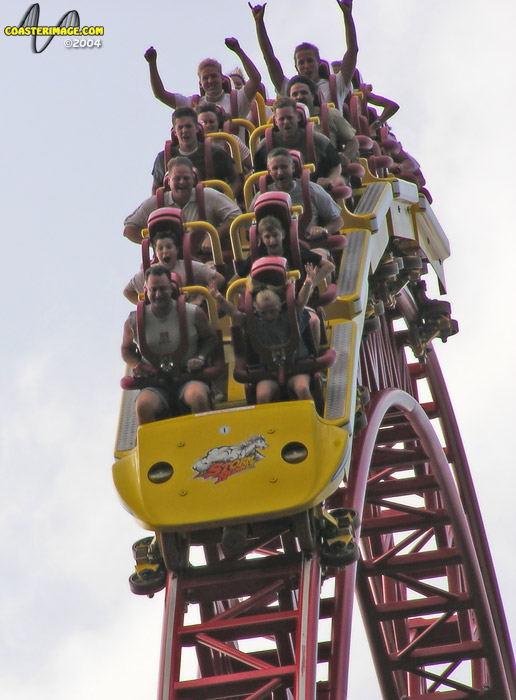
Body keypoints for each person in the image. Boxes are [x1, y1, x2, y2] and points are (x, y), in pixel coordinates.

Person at [121, 265, 218, 425]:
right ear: (146, 290)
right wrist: (136, 364)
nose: (158, 295)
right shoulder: (134, 321)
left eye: (163, 289)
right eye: (153, 290)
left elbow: (211, 338)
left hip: (188, 378)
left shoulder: (193, 313)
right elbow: (126, 349)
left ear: (172, 288)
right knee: (143, 405)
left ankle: (205, 440)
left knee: (198, 396)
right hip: (155, 383)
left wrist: (200, 358)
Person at [209, 263, 318, 404]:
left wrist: (308, 282)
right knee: (262, 395)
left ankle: (311, 418)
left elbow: (301, 302)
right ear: (256, 310)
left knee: (302, 388)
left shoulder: (290, 317)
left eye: (272, 311)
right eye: (263, 312)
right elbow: (234, 314)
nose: (268, 316)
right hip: (268, 372)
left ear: (279, 306)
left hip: (296, 367)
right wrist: (218, 297)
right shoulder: (255, 323)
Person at [250, 0, 358, 111]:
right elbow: (269, 59)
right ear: (296, 67)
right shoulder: (289, 88)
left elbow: (352, 50)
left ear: (319, 63)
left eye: (310, 61)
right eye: (301, 62)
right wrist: (259, 23)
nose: (306, 66)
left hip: (329, 128)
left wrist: (347, 15)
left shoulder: (336, 84)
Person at [124, 157, 241, 250]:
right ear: (168, 181)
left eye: (186, 178)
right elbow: (129, 229)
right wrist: (156, 245)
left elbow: (236, 215)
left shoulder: (208, 196)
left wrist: (214, 235)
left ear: (193, 180)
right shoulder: (157, 203)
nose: (182, 182)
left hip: (206, 261)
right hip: (168, 266)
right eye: (177, 178)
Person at [144, 39, 261, 119]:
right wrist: (152, 64)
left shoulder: (236, 100)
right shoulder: (193, 104)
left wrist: (238, 51)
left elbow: (255, 79)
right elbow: (160, 94)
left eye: (214, 76)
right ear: (200, 84)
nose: (210, 81)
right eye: (205, 78)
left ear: (222, 79)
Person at [250, 148, 344, 244]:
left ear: (293, 168)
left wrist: (324, 231)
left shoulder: (312, 189)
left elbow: (338, 220)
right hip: (274, 248)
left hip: (311, 245)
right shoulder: (261, 197)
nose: (280, 172)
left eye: (284, 167)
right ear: (269, 171)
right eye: (275, 168)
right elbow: (249, 231)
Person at [253, 97, 342, 188]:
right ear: (275, 121)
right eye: (281, 119)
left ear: (298, 117)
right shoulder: (265, 146)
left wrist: (330, 180)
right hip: (279, 192)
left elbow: (336, 165)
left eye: (289, 118)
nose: (286, 122)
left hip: (314, 189)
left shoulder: (319, 140)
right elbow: (257, 176)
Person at [123, 229, 225, 305]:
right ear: (155, 252)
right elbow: (128, 291)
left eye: (169, 247)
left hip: (186, 312)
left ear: (176, 249)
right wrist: (145, 305)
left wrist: (199, 299)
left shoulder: (187, 266)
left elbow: (219, 278)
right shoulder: (150, 272)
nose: (164, 251)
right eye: (160, 248)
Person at [151, 107, 238, 195]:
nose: (184, 131)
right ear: (174, 132)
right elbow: (155, 190)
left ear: (197, 128)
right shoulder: (163, 158)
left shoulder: (216, 153)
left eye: (188, 126)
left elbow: (236, 181)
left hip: (212, 205)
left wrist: (226, 199)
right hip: (176, 206)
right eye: (180, 128)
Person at [286, 74, 358, 164]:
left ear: (313, 96)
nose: (299, 97)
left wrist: (345, 155)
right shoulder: (285, 122)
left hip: (331, 169)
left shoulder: (330, 114)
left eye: (304, 93)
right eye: (295, 94)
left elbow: (352, 141)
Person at [196, 102, 252, 175]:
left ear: (218, 122)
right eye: (204, 122)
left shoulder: (232, 139)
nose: (208, 125)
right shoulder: (194, 143)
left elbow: (251, 164)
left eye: (211, 122)